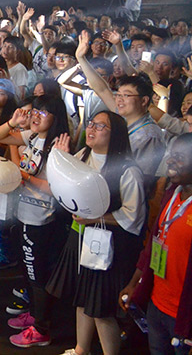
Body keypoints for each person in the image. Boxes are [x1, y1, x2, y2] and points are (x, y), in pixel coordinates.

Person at [47, 111, 145, 355]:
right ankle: (81, 349)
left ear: (116, 134)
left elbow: (133, 217)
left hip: (108, 246)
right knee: (82, 299)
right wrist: (59, 158)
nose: (91, 129)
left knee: (100, 308)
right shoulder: (82, 155)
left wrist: (96, 218)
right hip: (81, 237)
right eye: (90, 124)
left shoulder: (127, 171)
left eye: (100, 126)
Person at [0, 95, 71, 348]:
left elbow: (54, 189)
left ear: (56, 118)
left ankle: (41, 329)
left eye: (43, 112)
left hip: (41, 218)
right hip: (25, 214)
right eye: (35, 111)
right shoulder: (34, 137)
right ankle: (36, 316)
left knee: (38, 274)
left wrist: (22, 175)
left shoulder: (57, 146)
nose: (36, 115)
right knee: (29, 270)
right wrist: (13, 122)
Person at [120, 133, 192, 355]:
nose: (170, 161)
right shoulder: (171, 193)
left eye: (179, 157)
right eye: (170, 155)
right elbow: (153, 244)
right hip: (157, 305)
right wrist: (135, 283)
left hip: (185, 316)